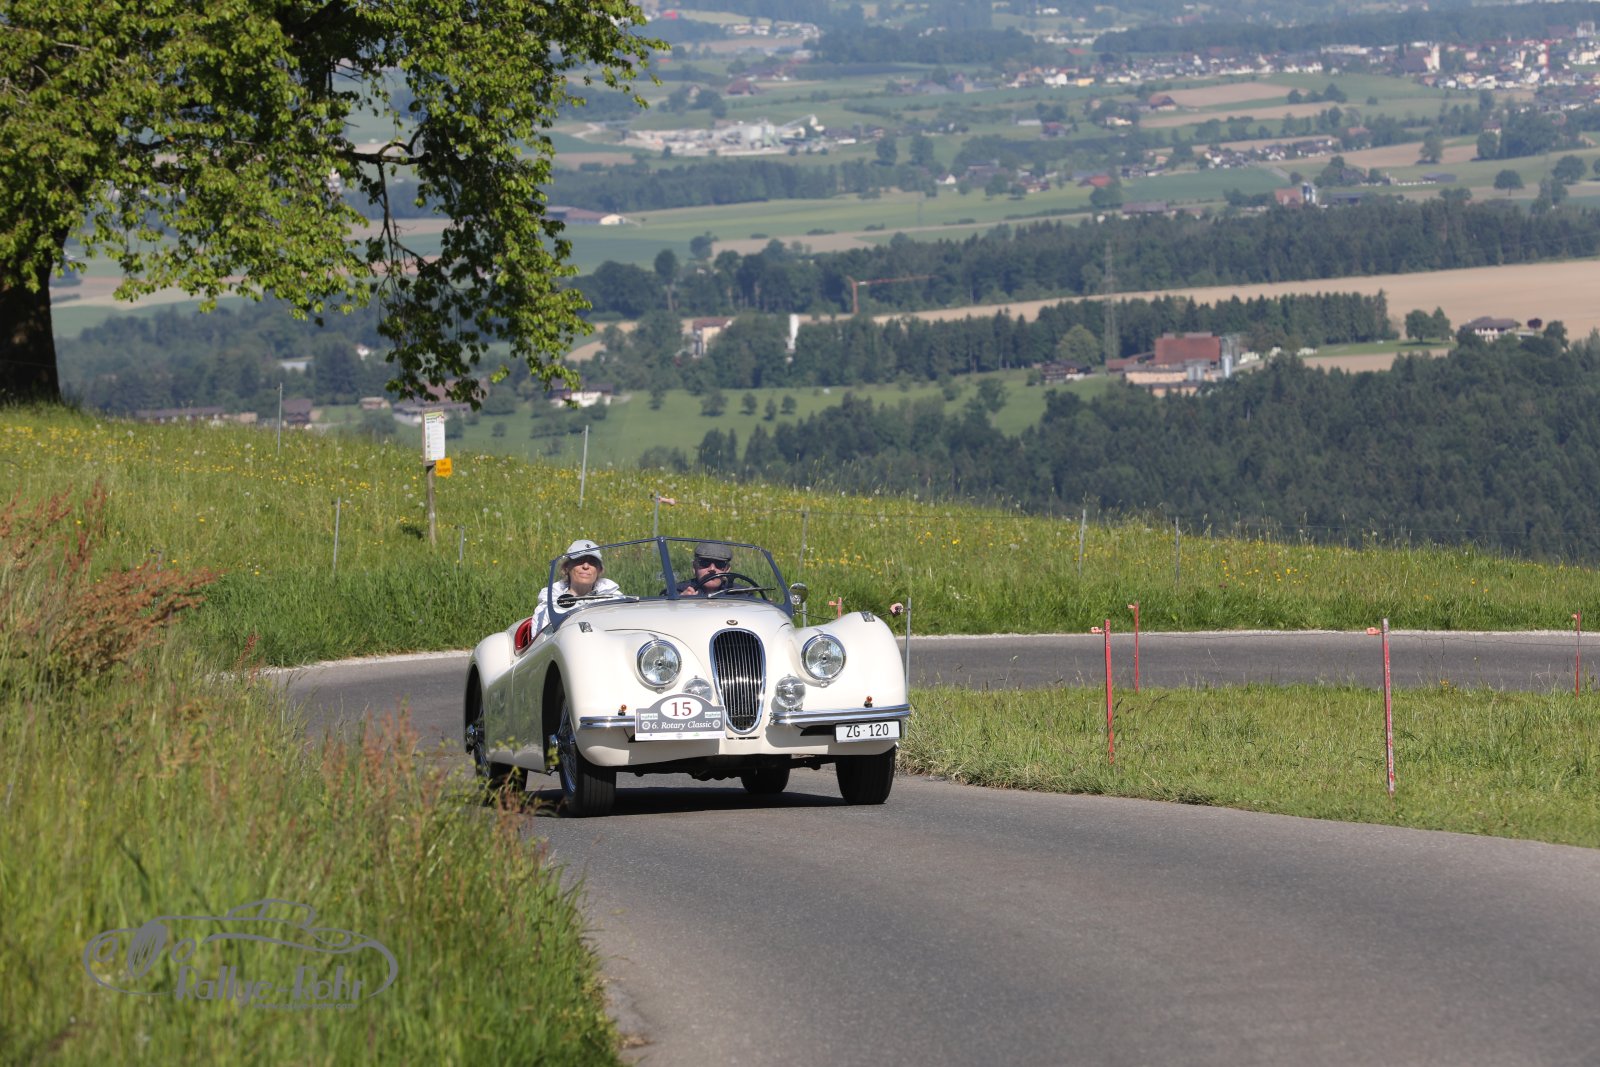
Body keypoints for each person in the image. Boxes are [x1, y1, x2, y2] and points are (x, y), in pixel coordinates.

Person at [532, 539, 620, 633]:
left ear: (599, 570)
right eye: (579, 560)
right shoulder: (549, 604)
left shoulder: (615, 599)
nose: (585, 566)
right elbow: (541, 640)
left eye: (592, 562)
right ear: (567, 568)